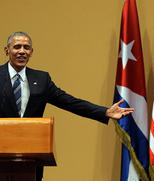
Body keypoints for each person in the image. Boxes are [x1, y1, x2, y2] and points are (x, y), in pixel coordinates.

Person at [0, 31, 134, 181]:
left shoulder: (41, 79)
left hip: (32, 156)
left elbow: (70, 102)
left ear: (31, 52)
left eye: (26, 48)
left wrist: (105, 112)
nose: (22, 51)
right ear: (7, 50)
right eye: (17, 47)